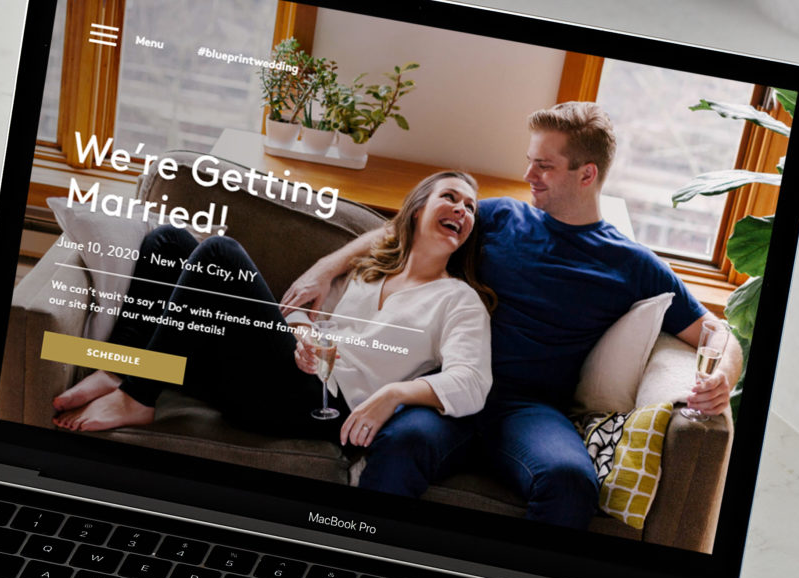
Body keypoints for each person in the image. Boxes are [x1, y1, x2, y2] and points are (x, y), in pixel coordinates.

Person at [279, 102, 745, 528]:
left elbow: (717, 332)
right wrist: (325, 269)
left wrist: (722, 374)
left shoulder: (633, 265)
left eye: (544, 165)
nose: (528, 174)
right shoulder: (501, 217)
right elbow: (404, 229)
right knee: (401, 446)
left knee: (570, 482)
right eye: (530, 160)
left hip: (528, 411)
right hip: (445, 388)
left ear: (587, 175)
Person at [52, 171, 495, 494]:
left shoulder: (459, 300)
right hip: (282, 373)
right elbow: (304, 316)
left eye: (470, 207)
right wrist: (302, 333)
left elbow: (471, 383)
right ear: (418, 207)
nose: (462, 209)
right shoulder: (370, 268)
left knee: (220, 253)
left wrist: (395, 393)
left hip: (319, 404)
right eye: (451, 196)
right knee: (167, 242)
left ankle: (139, 396)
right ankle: (121, 370)